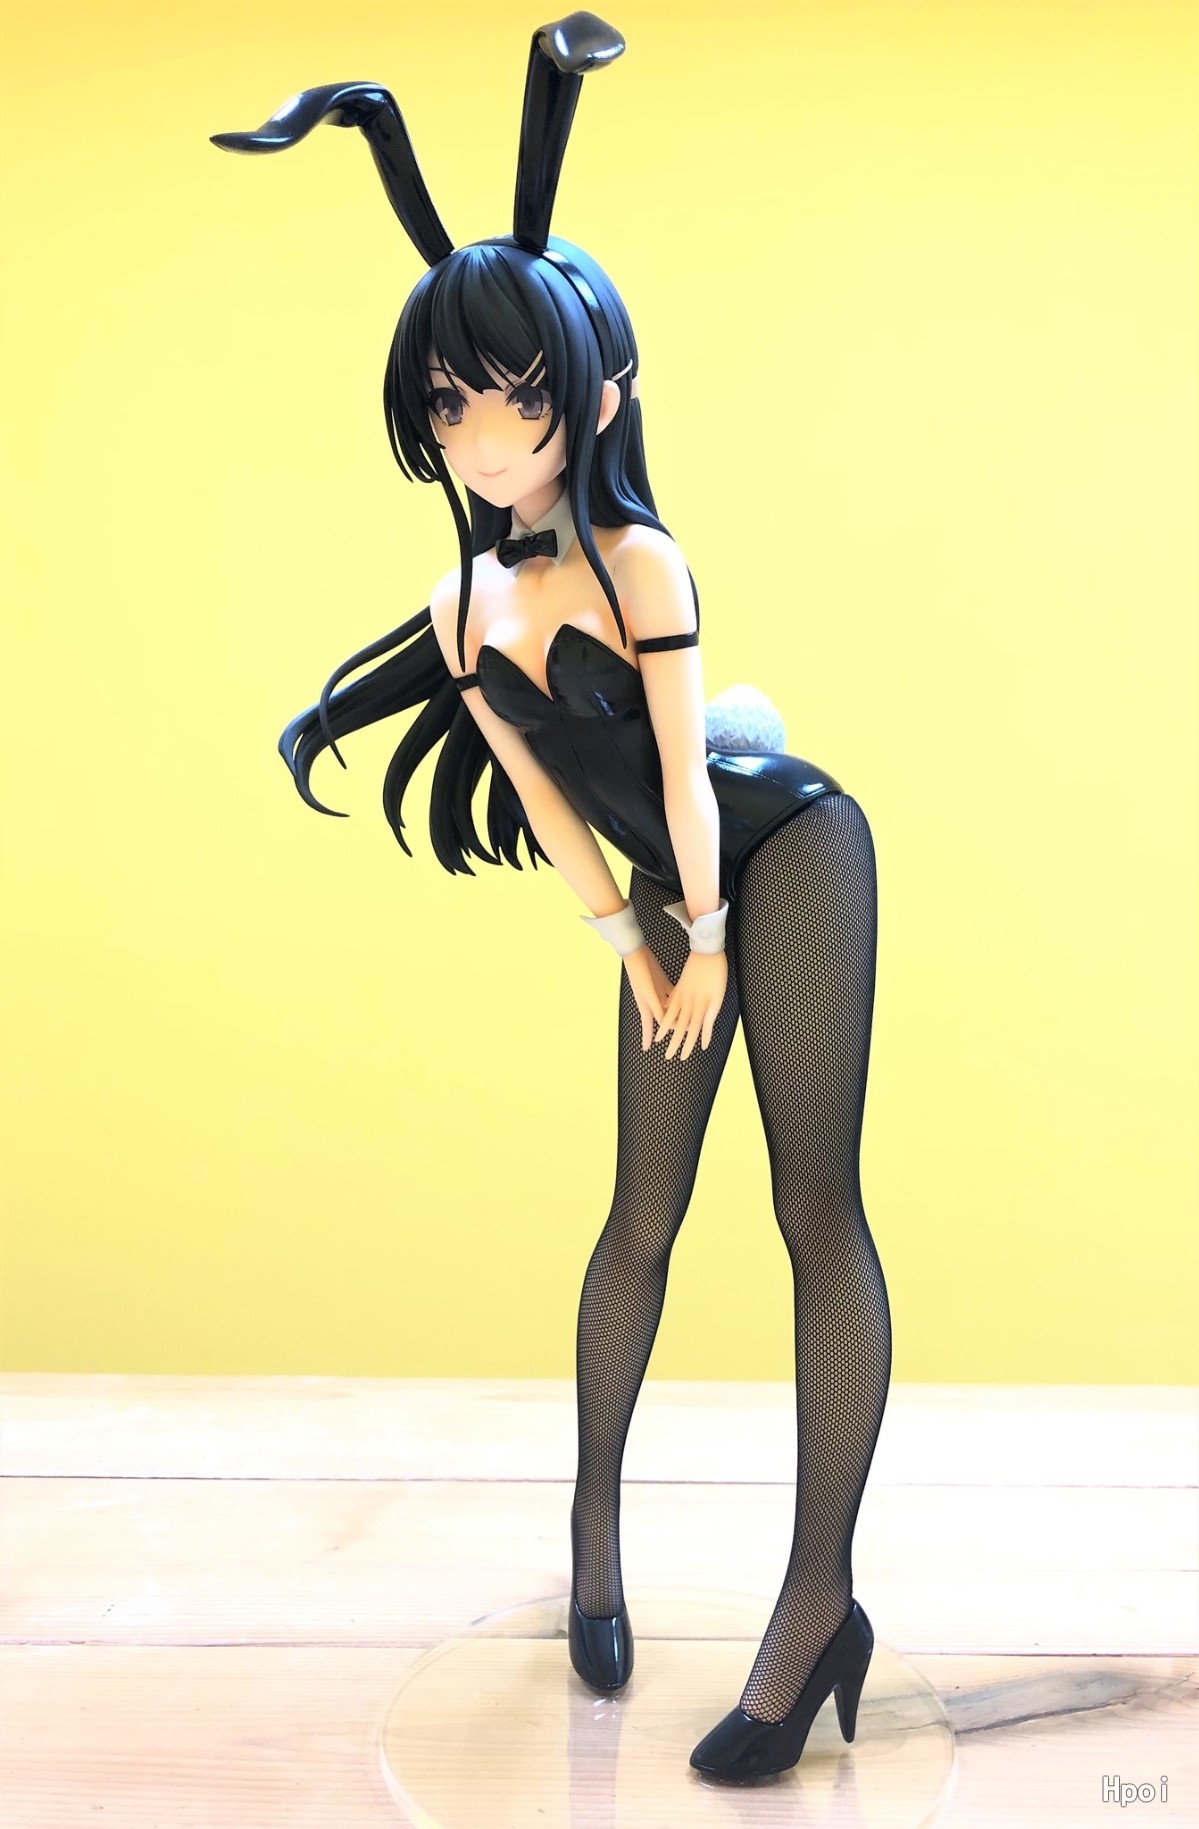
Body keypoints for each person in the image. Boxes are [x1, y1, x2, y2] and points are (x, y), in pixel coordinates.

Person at [212, 12, 892, 1782]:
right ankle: (593, 1538)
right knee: (637, 1216)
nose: (475, 432)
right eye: (448, 402)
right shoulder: (464, 611)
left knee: (812, 1206)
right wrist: (638, 949)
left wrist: (711, 940)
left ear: (591, 394)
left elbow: (685, 777)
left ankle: (818, 1603)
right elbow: (545, 798)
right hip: (667, 892)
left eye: (508, 396)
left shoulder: (640, 561)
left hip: (785, 852)